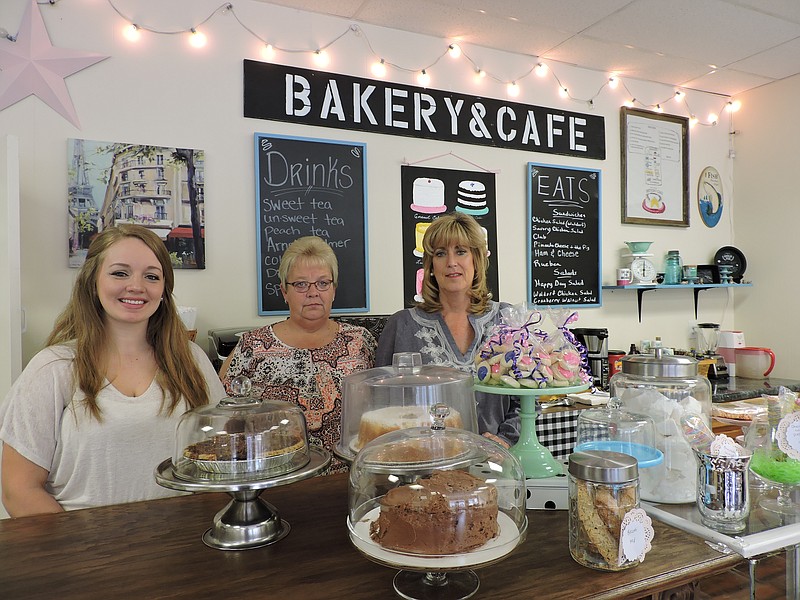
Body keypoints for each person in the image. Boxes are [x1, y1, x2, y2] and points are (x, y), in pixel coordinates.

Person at [0, 224, 225, 517]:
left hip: (184, 547)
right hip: (85, 553)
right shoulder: (53, 368)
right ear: (92, 280)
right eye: (120, 273)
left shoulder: (191, 359)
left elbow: (223, 456)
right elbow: (19, 489)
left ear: (163, 290)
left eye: (152, 276)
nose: (136, 286)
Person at [220, 236, 376, 474]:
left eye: (323, 283)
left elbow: (382, 408)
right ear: (284, 291)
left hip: (351, 478)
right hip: (275, 479)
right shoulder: (252, 346)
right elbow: (225, 420)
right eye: (301, 284)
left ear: (334, 289)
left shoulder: (360, 341)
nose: (313, 292)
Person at [376, 212, 519, 447]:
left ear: (477, 259)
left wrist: (505, 440)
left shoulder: (506, 318)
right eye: (441, 253)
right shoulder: (402, 325)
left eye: (460, 251)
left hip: (496, 462)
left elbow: (525, 399)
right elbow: (382, 405)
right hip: (422, 463)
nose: (451, 262)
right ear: (431, 265)